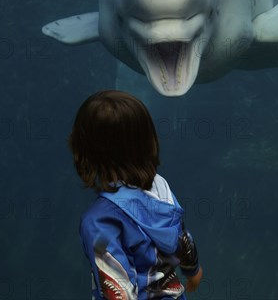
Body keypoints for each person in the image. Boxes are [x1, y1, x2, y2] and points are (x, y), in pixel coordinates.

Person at [69, 90, 203, 300]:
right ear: (148, 140)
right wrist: (192, 269)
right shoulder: (160, 188)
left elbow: (118, 290)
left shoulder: (99, 220)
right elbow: (181, 236)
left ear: (84, 149)